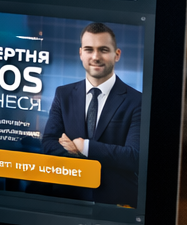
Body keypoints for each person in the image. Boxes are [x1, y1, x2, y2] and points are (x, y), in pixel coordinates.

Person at [39, 23, 142, 206]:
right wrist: (81, 159)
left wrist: (84, 146)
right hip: (68, 197)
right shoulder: (63, 94)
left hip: (116, 201)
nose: (95, 57)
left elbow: (134, 156)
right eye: (89, 49)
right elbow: (48, 142)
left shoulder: (136, 100)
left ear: (116, 54)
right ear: (81, 53)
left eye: (103, 50)